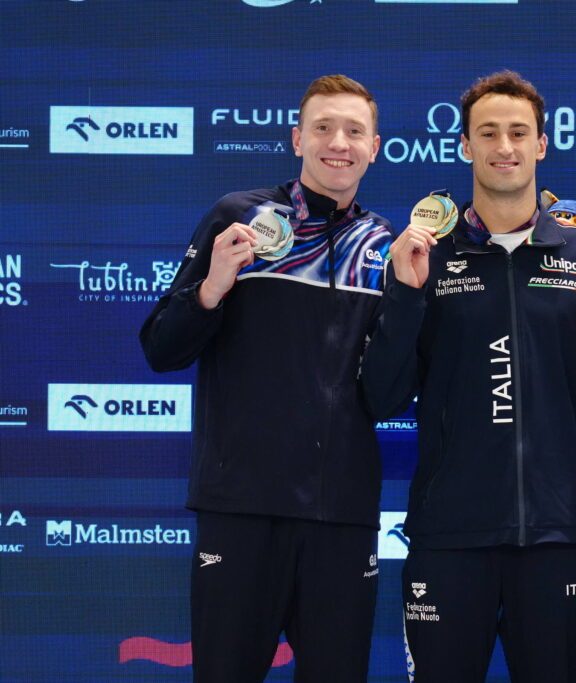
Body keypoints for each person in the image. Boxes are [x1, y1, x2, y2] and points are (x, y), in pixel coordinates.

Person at [140, 74, 391, 683]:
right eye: (323, 127)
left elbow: (391, 387)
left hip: (342, 515)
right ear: (297, 138)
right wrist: (212, 287)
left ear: (374, 147)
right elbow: (160, 349)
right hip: (242, 509)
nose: (339, 142)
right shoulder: (239, 218)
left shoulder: (384, 245)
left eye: (354, 131)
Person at [361, 71, 576, 683]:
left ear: (541, 145)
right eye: (489, 133)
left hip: (556, 537)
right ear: (465, 145)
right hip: (449, 538)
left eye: (518, 133)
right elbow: (382, 395)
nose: (504, 146)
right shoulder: (425, 255)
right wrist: (405, 295)